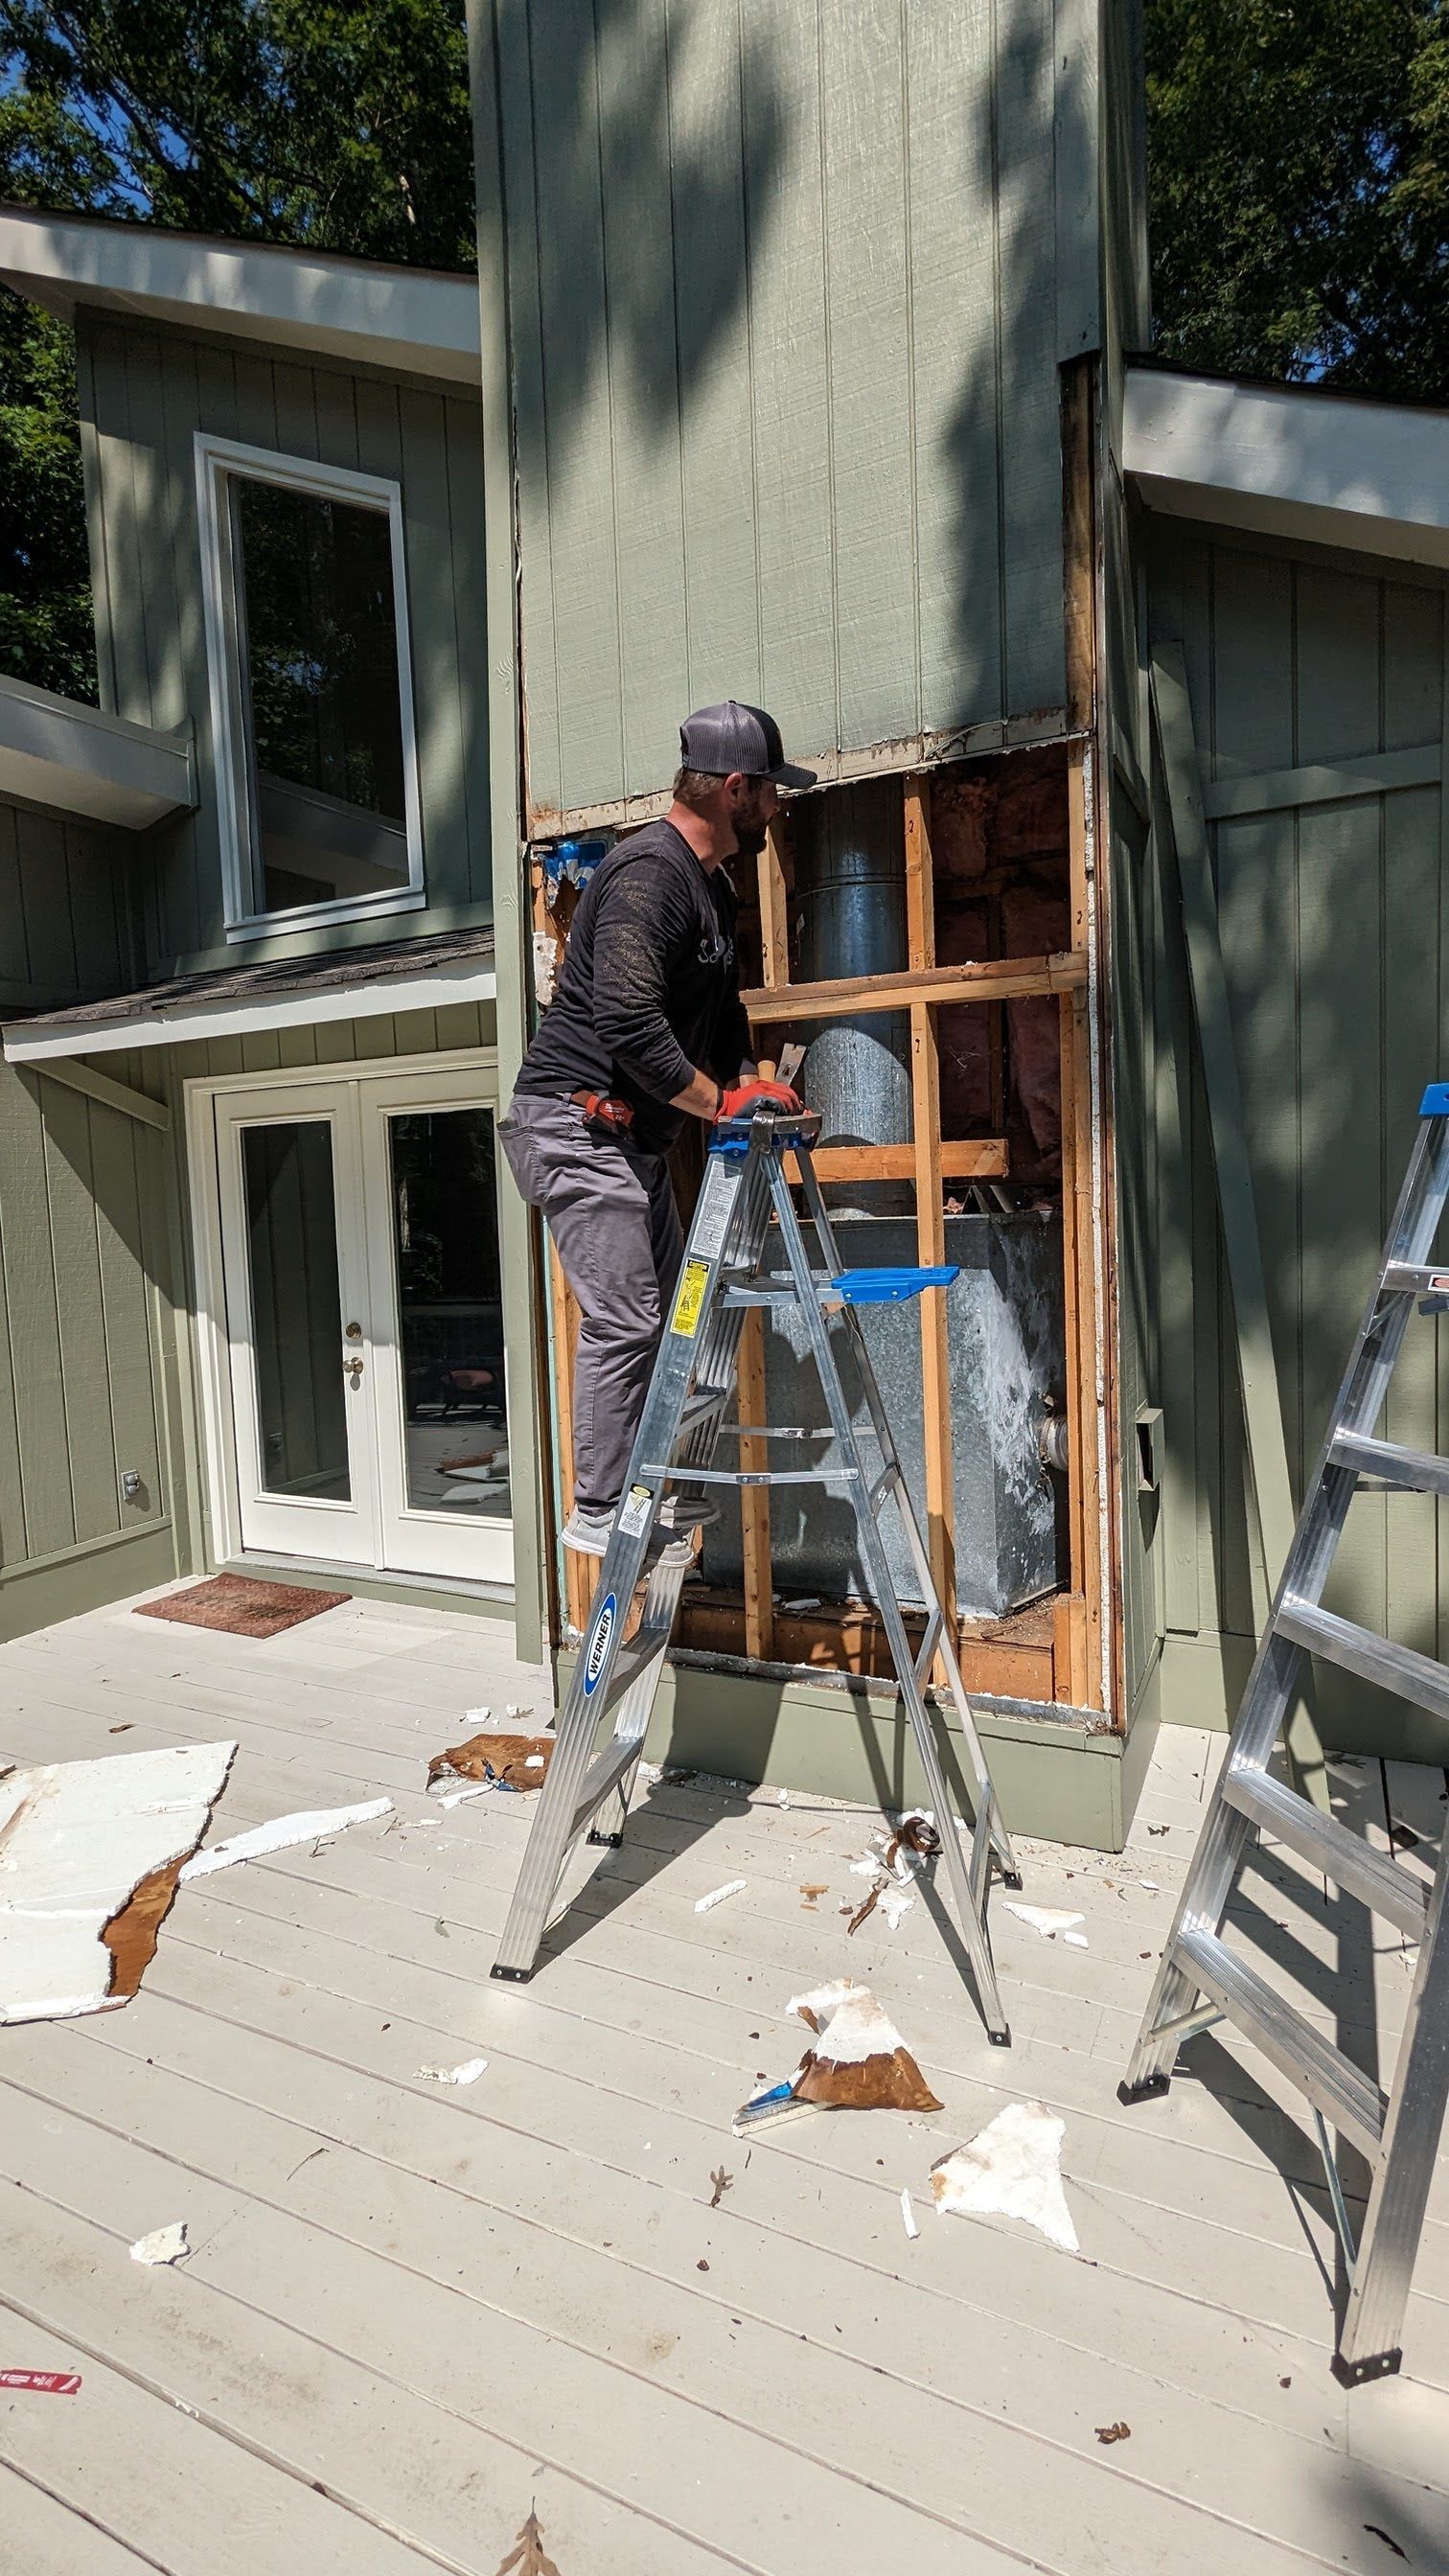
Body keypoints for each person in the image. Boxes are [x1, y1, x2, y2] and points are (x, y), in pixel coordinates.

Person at [499, 702, 815, 1553]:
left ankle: (656, 1487)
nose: (780, 806)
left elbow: (717, 1022)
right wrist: (723, 1106)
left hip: (629, 1142)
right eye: (773, 792)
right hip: (572, 1124)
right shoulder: (649, 874)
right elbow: (631, 1020)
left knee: (686, 1310)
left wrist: (752, 1084)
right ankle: (600, 1511)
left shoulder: (712, 889)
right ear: (735, 788)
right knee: (629, 1319)